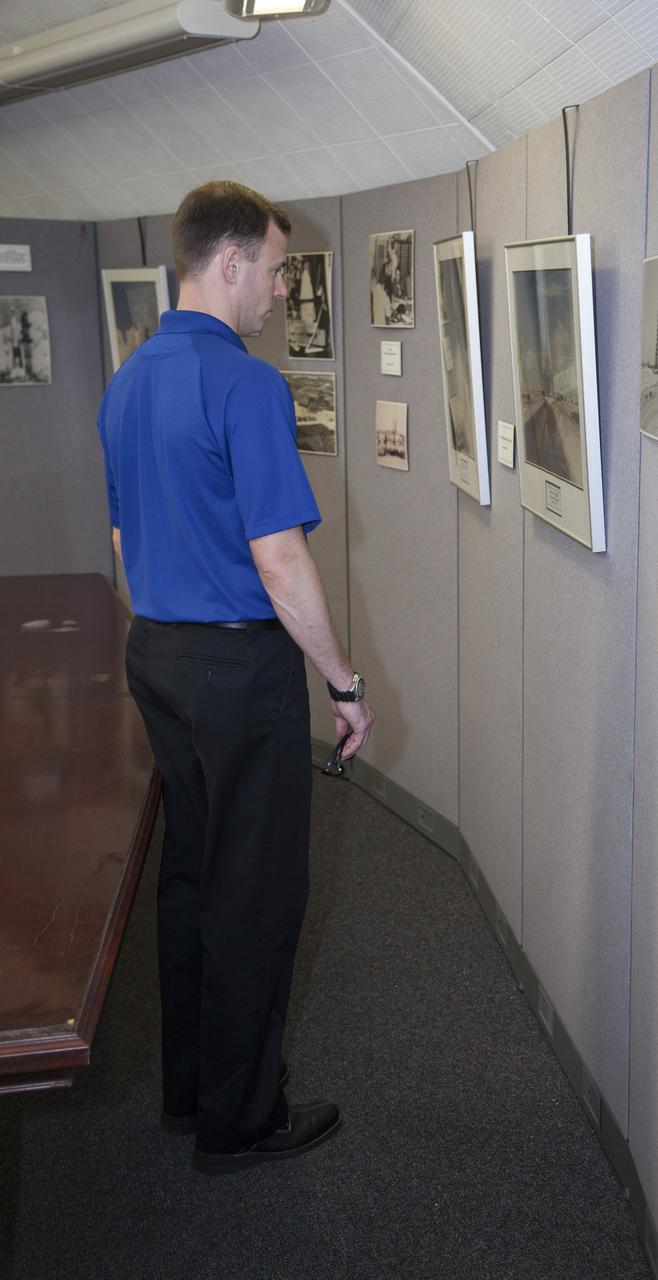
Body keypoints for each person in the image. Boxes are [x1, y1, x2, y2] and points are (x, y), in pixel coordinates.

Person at [97, 180, 374, 1176]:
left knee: (191, 875)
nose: (276, 289)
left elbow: (126, 538)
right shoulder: (247, 382)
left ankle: (188, 1088)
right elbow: (279, 558)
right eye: (273, 267)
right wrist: (341, 681)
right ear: (228, 264)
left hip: (158, 654)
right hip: (235, 663)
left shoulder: (125, 381)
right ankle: (242, 1119)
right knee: (254, 891)